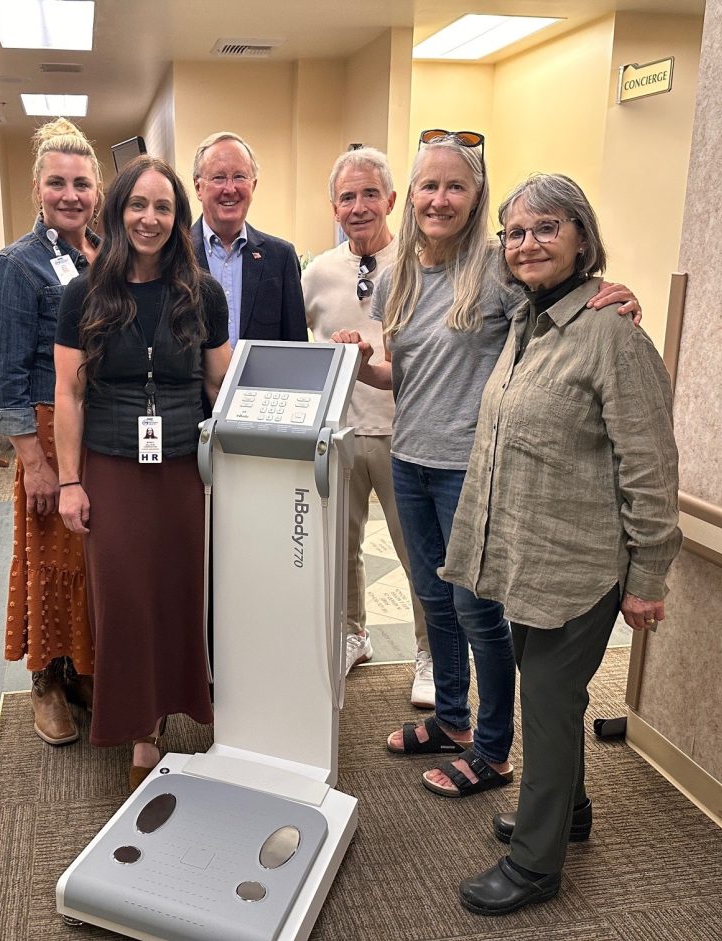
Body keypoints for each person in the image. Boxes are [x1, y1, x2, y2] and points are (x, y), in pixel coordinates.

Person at [332, 132, 640, 801]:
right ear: (411, 197)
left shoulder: (499, 270)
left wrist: (609, 294)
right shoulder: (398, 276)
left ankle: (494, 751)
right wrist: (362, 365)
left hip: (472, 469)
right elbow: (406, 375)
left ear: (476, 198)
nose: (439, 199)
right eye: (429, 186)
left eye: (456, 186)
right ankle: (452, 721)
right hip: (409, 458)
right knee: (434, 602)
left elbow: (559, 314)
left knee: (478, 613)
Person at [441, 172, 681, 915]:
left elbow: (650, 464)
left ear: (582, 238)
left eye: (547, 227)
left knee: (545, 703)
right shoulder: (527, 321)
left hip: (582, 564)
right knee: (553, 699)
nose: (528, 243)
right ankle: (568, 811)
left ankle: (534, 865)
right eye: (515, 231)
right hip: (529, 557)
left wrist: (648, 574)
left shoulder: (613, 334)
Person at [54, 155, 231, 789]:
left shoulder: (202, 293)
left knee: (181, 594)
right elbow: (70, 392)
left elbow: (219, 385)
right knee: (124, 601)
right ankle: (139, 732)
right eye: (138, 205)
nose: (149, 218)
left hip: (183, 469)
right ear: (117, 211)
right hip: (111, 469)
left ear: (178, 218)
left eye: (163, 207)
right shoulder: (84, 293)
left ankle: (178, 711)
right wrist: (70, 481)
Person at [0, 118, 102, 746]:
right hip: (48, 433)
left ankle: (83, 668)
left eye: (82, 184)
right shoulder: (14, 266)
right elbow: (3, 378)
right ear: (37, 189)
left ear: (98, 191)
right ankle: (47, 680)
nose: (70, 195)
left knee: (91, 560)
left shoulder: (108, 256)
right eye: (57, 183)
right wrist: (34, 461)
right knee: (51, 564)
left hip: (103, 431)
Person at [302, 147, 432, 707]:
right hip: (338, 432)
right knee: (341, 546)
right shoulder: (317, 273)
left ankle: (430, 652)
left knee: (418, 552)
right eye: (347, 197)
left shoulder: (420, 264)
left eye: (370, 194)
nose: (359, 207)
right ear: (334, 205)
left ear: (392, 200)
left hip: (405, 433)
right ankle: (353, 633)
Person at [191, 131, 307, 344]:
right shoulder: (175, 254)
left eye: (239, 177)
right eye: (218, 178)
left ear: (253, 185)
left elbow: (296, 348)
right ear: (199, 187)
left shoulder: (281, 258)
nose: (230, 189)